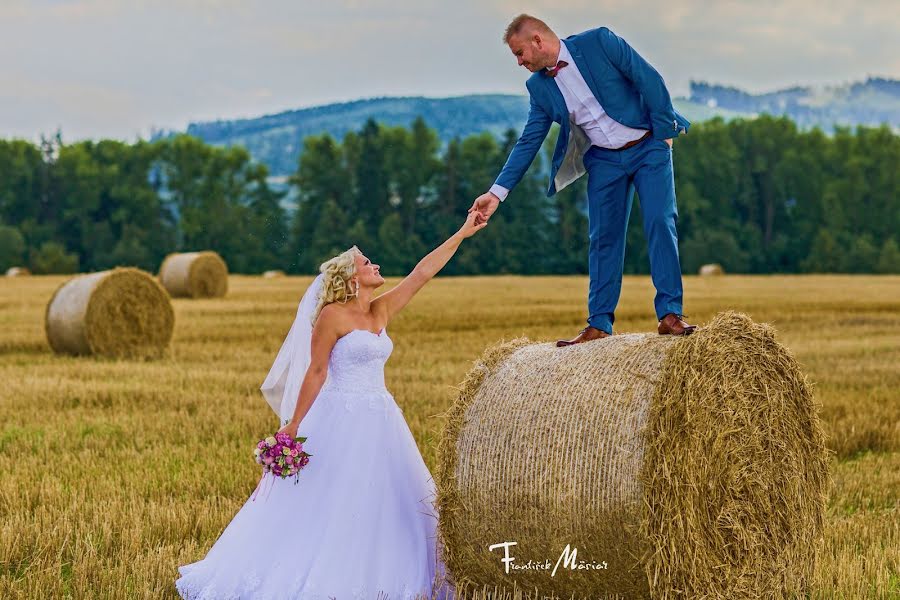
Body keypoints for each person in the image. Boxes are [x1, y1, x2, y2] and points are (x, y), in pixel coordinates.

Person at [175, 210, 486, 599]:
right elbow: (317, 372)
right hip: (340, 417)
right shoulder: (332, 316)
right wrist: (292, 425)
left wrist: (462, 233)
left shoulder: (381, 309)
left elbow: (422, 272)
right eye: (366, 263)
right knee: (333, 503)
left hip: (382, 417)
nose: (375, 265)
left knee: (399, 500)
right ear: (351, 279)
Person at [469, 14, 698, 346]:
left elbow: (648, 79)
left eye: (520, 53)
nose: (519, 63)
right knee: (603, 238)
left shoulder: (599, 42)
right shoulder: (538, 87)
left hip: (648, 145)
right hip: (604, 160)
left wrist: (664, 133)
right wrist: (496, 193)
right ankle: (599, 323)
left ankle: (670, 314)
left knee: (661, 221)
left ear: (537, 40)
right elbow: (528, 141)